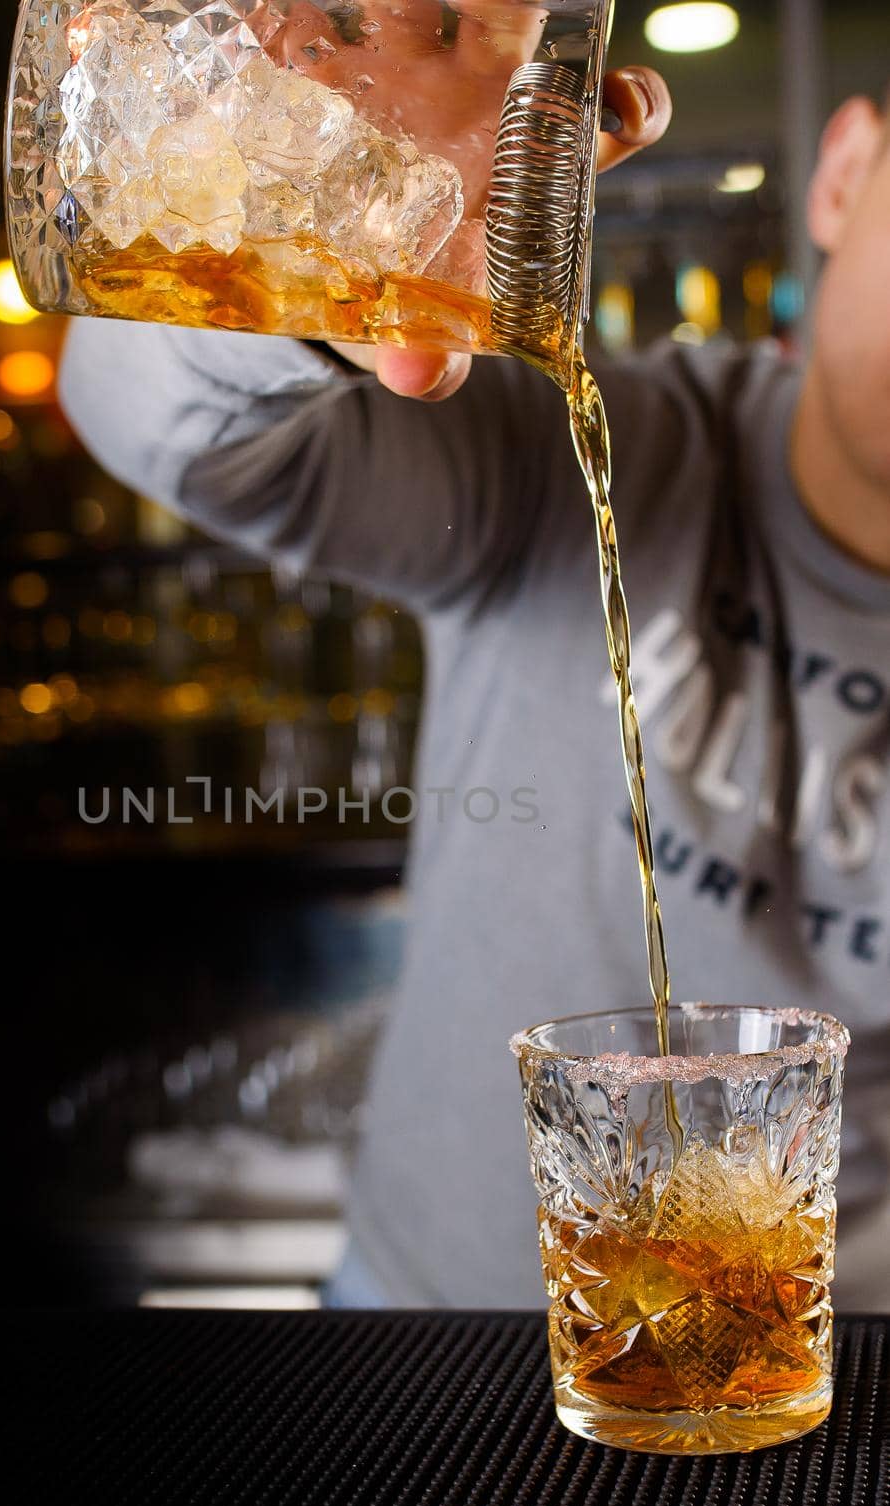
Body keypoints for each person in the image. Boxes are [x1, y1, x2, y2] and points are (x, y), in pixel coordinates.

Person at [58, 72, 890, 1312]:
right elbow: (142, 412)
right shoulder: (590, 454)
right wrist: (306, 282)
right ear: (842, 178)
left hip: (821, 1374)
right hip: (418, 1347)